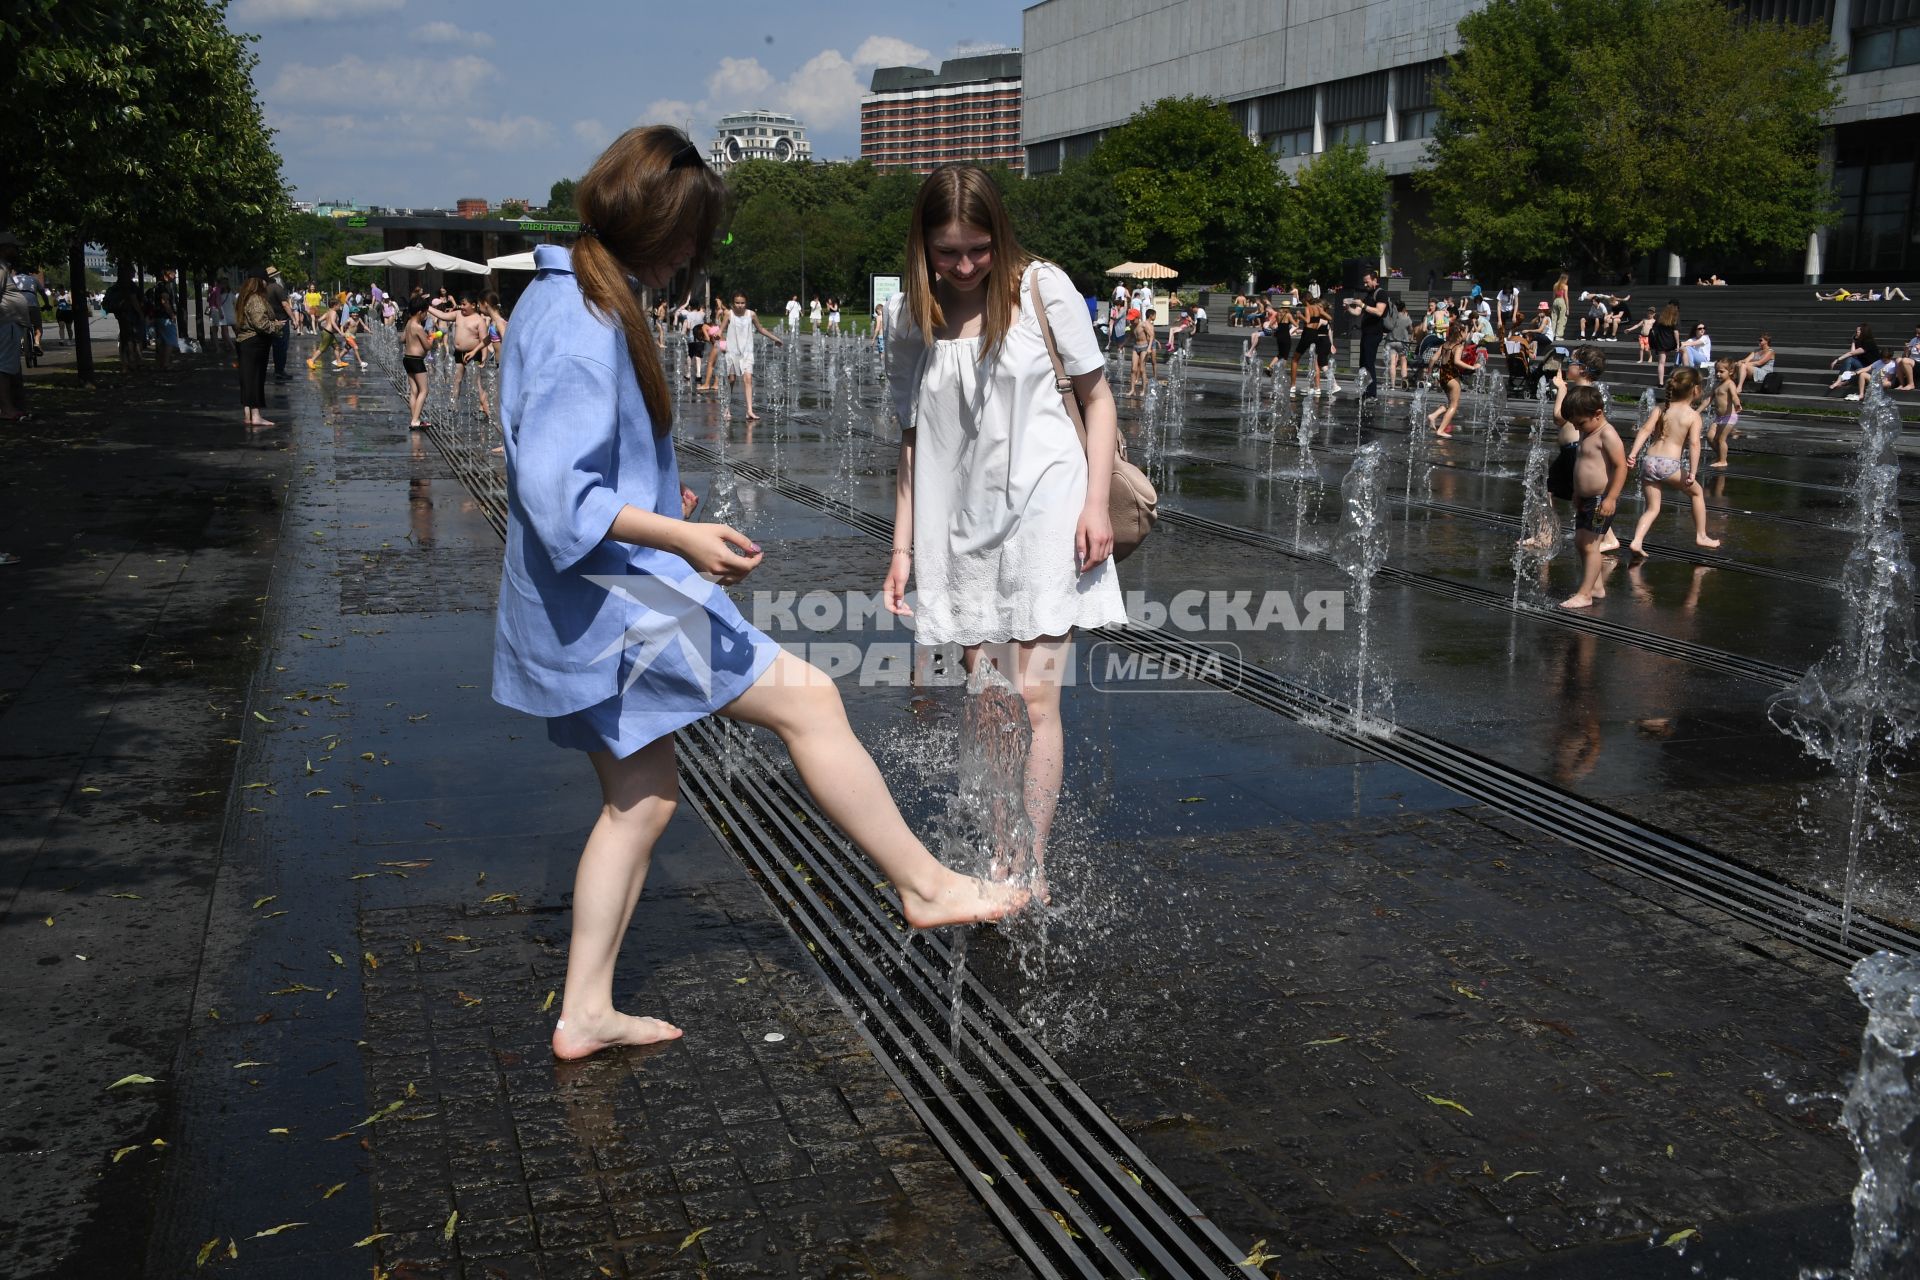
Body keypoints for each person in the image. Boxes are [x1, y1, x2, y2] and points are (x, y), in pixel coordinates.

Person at [495, 127, 1027, 1061]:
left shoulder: (558, 295)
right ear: (661, 228)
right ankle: (925, 885)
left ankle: (585, 1010)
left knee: (642, 799)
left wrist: (660, 506)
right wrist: (679, 534)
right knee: (812, 702)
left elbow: (577, 478)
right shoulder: (584, 322)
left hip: (587, 600)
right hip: (628, 604)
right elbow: (559, 496)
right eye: (690, 242)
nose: (691, 262)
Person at [883, 164, 1126, 901]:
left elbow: (1099, 398)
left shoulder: (1041, 289)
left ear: (1001, 238)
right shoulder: (910, 316)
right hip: (961, 520)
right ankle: (1000, 847)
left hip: (1049, 508)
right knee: (986, 696)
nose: (963, 266)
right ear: (923, 247)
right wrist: (901, 549)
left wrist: (1096, 504)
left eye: (978, 249)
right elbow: (911, 440)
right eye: (947, 251)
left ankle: (1034, 858)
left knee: (1036, 696)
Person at [1625, 367, 1720, 557]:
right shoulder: (1693, 416)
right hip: (1669, 465)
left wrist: (1633, 454)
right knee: (1697, 493)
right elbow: (1694, 444)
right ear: (1695, 390)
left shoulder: (1660, 408)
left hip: (1649, 461)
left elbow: (1645, 430)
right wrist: (1693, 472)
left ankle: (1637, 541)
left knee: (1653, 508)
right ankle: (1701, 535)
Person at [1559, 383, 1628, 609]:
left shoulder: (1607, 433)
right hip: (1587, 499)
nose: (1577, 428)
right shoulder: (1588, 431)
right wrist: (1577, 493)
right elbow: (1582, 464)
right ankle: (1596, 586)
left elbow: (1620, 467)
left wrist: (1611, 498)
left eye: (1580, 423)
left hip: (1601, 500)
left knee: (1591, 545)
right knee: (1582, 543)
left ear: (1597, 414)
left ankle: (1585, 593)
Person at [232, 271, 283, 430]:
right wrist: (277, 326)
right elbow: (260, 323)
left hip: (245, 341)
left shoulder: (243, 298)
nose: (267, 284)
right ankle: (256, 416)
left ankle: (248, 414)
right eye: (265, 281)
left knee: (247, 378)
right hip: (255, 342)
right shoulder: (256, 299)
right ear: (260, 282)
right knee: (255, 378)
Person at [721, 292, 783, 418]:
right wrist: (718, 337)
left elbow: (760, 329)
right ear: (733, 303)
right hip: (732, 351)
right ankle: (726, 407)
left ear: (746, 303)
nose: (740, 305)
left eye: (742, 303)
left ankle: (749, 410)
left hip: (747, 352)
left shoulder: (751, 314)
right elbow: (721, 329)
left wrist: (774, 338)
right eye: (737, 303)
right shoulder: (729, 314)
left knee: (748, 379)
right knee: (731, 380)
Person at [401, 296, 456, 430]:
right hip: (417, 360)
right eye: (426, 313)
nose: (426, 315)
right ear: (420, 312)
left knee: (414, 391)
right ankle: (415, 421)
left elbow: (402, 339)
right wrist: (430, 338)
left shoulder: (409, 323)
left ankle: (414, 418)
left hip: (407, 359)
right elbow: (427, 347)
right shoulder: (418, 327)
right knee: (424, 390)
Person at [1347, 268, 1389, 400]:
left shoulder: (1381, 293)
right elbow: (1357, 312)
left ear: (1375, 280)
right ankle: (1365, 392)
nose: (1365, 285)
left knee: (1369, 363)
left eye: (1367, 282)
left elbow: (1379, 312)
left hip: (1374, 333)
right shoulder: (1368, 295)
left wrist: (1364, 306)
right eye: (1364, 282)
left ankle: (1372, 394)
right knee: (1363, 363)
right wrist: (1348, 307)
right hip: (1365, 333)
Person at [449, 297, 493, 416]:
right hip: (459, 353)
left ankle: (482, 407)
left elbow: (484, 340)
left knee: (476, 381)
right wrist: (428, 307)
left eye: (464, 304)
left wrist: (484, 357)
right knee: (457, 379)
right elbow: (443, 316)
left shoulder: (479, 320)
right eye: (460, 304)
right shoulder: (459, 315)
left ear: (473, 305)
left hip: (475, 354)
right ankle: (453, 406)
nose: (461, 306)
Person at [1426, 321, 1471, 437]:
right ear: (1460, 333)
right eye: (1466, 332)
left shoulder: (1444, 345)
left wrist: (1429, 373)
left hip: (1443, 377)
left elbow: (1432, 359)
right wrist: (1472, 366)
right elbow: (1457, 362)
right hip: (1452, 378)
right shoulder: (1458, 346)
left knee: (1450, 402)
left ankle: (1433, 416)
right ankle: (1441, 430)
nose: (1467, 334)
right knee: (1454, 405)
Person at [1827, 324, 1881, 398]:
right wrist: (1853, 341)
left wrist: (1837, 360)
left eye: (1858, 331)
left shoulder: (1869, 342)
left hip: (1871, 368)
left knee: (1852, 363)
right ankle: (1840, 381)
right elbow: (1853, 354)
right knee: (1850, 360)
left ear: (1863, 332)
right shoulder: (1860, 341)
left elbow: (1851, 353)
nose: (1856, 333)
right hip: (1863, 365)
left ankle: (1843, 382)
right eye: (1856, 331)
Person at [1706, 358, 1741, 468]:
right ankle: (1721, 455)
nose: (1718, 374)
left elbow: (1735, 396)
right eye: (1717, 371)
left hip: (1729, 416)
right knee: (1710, 437)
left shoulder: (1730, 384)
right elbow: (1708, 400)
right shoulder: (1716, 385)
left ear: (1730, 371)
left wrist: (1737, 404)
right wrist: (1697, 411)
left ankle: (1723, 460)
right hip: (1719, 417)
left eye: (1721, 371)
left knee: (1721, 439)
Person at [265, 267, 293, 379]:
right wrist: (293, 319)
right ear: (276, 277)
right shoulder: (277, 288)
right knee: (281, 347)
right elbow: (285, 305)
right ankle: (280, 370)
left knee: (268, 346)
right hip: (281, 321)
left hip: (268, 321)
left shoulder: (263, 289)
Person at [1385, 299, 1413, 390]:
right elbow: (1411, 330)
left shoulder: (1391, 317)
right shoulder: (1406, 318)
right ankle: (1404, 384)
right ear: (1404, 308)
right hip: (1402, 342)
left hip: (1391, 341)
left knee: (1392, 363)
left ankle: (1392, 385)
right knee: (1403, 362)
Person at [1650, 301, 1680, 383]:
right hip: (1671, 342)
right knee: (1684, 350)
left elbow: (1654, 329)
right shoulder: (1675, 317)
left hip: (1661, 342)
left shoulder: (1660, 316)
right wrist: (1677, 344)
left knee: (1661, 363)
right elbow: (1676, 332)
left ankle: (1661, 382)